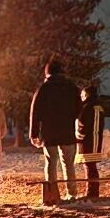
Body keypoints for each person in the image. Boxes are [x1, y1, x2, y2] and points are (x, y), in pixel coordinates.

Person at [29, 58, 80, 199]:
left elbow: (35, 112)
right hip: (67, 132)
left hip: (49, 132)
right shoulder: (71, 87)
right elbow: (79, 109)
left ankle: (52, 192)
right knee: (68, 164)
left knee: (51, 162)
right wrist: (71, 120)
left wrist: (34, 133)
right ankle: (72, 193)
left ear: (47, 73)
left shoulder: (43, 89)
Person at [76, 84, 105, 199]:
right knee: (91, 166)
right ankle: (93, 191)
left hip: (88, 141)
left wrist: (79, 136)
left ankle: (92, 192)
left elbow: (83, 124)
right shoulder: (99, 107)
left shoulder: (87, 107)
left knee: (89, 166)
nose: (81, 97)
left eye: (82, 95)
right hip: (96, 139)